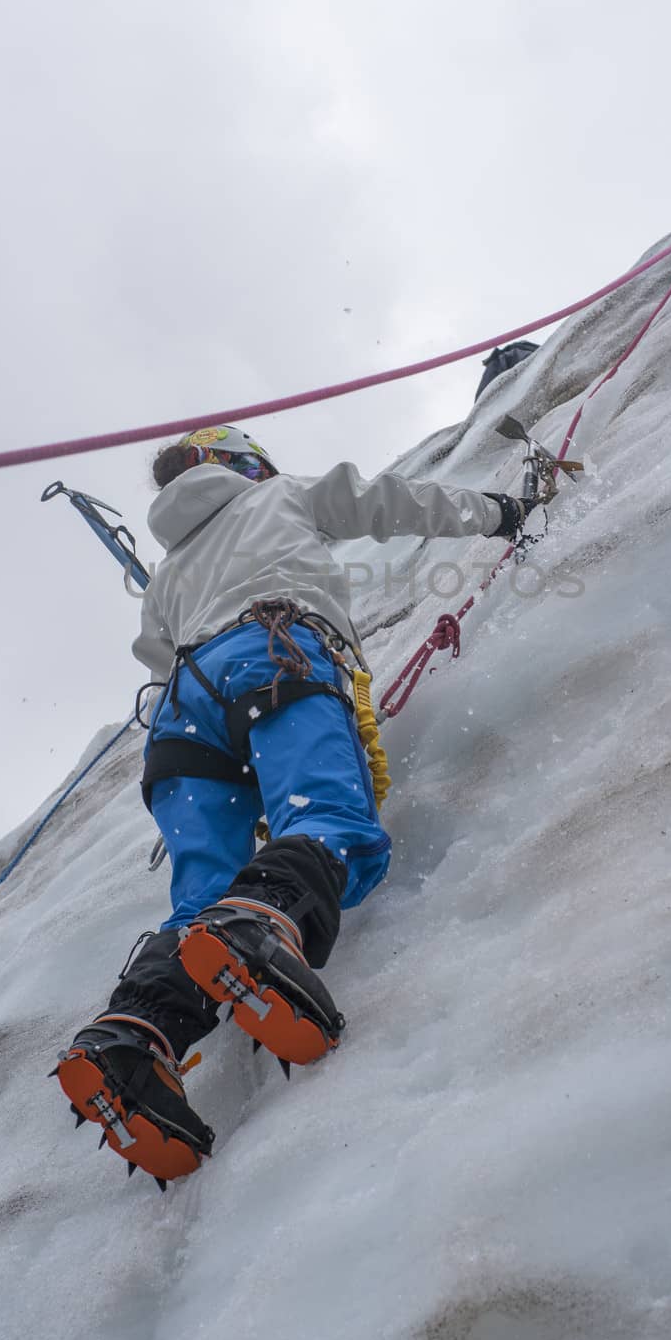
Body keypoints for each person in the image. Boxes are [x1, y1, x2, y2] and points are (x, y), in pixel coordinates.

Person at [54, 422, 541, 1187]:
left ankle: (133, 1035)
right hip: (272, 652)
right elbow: (389, 503)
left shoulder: (171, 571)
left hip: (180, 715)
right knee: (326, 820)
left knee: (200, 898)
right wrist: (502, 513)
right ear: (243, 464)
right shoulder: (280, 495)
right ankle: (258, 926)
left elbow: (156, 652)